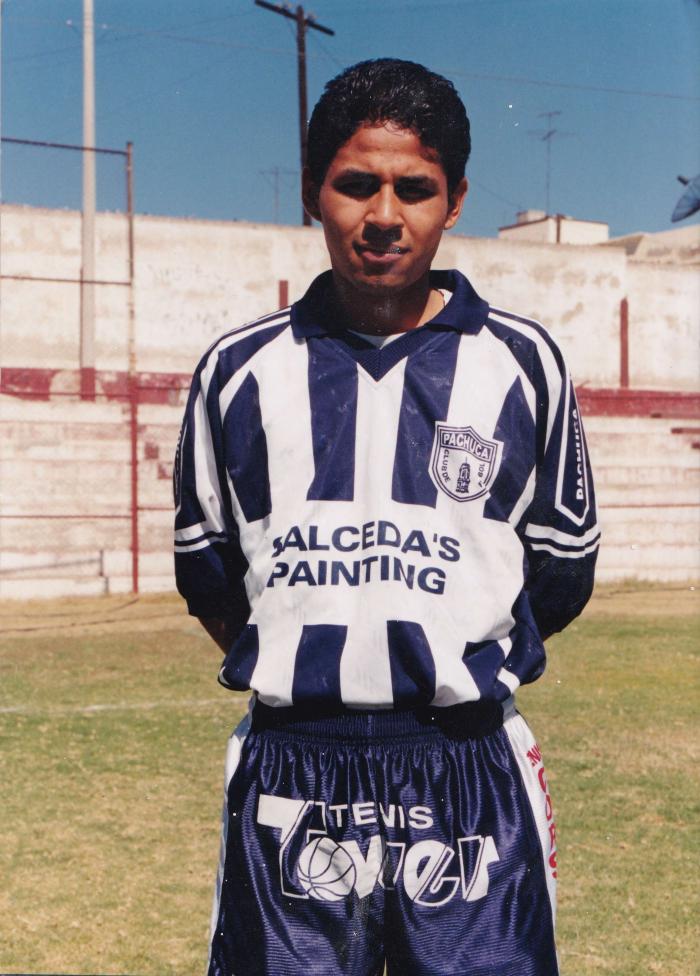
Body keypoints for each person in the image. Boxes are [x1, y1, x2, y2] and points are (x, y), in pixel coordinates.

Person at [174, 58, 599, 976]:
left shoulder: (524, 366)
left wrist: (439, 651)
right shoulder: (236, 372)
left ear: (455, 202)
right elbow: (209, 577)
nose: (383, 216)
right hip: (295, 772)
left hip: (466, 770)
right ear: (312, 191)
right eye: (356, 184)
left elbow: (558, 576)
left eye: (416, 189)